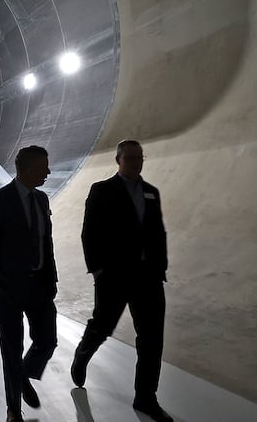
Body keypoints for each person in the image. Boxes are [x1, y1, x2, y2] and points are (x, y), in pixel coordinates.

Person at [71, 140, 172, 422]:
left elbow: (158, 232)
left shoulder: (151, 192)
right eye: (130, 157)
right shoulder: (102, 190)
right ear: (118, 160)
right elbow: (88, 232)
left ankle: (145, 397)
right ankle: (83, 352)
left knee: (152, 340)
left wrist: (160, 267)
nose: (136, 162)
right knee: (102, 326)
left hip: (149, 279)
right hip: (113, 277)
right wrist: (98, 270)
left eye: (140, 157)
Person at [0, 146, 58, 422]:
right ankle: (13, 409)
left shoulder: (42, 199)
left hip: (40, 286)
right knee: (11, 349)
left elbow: (46, 243)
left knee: (47, 340)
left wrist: (52, 278)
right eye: (44, 167)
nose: (48, 172)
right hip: (9, 289)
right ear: (28, 169)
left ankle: (24, 374)